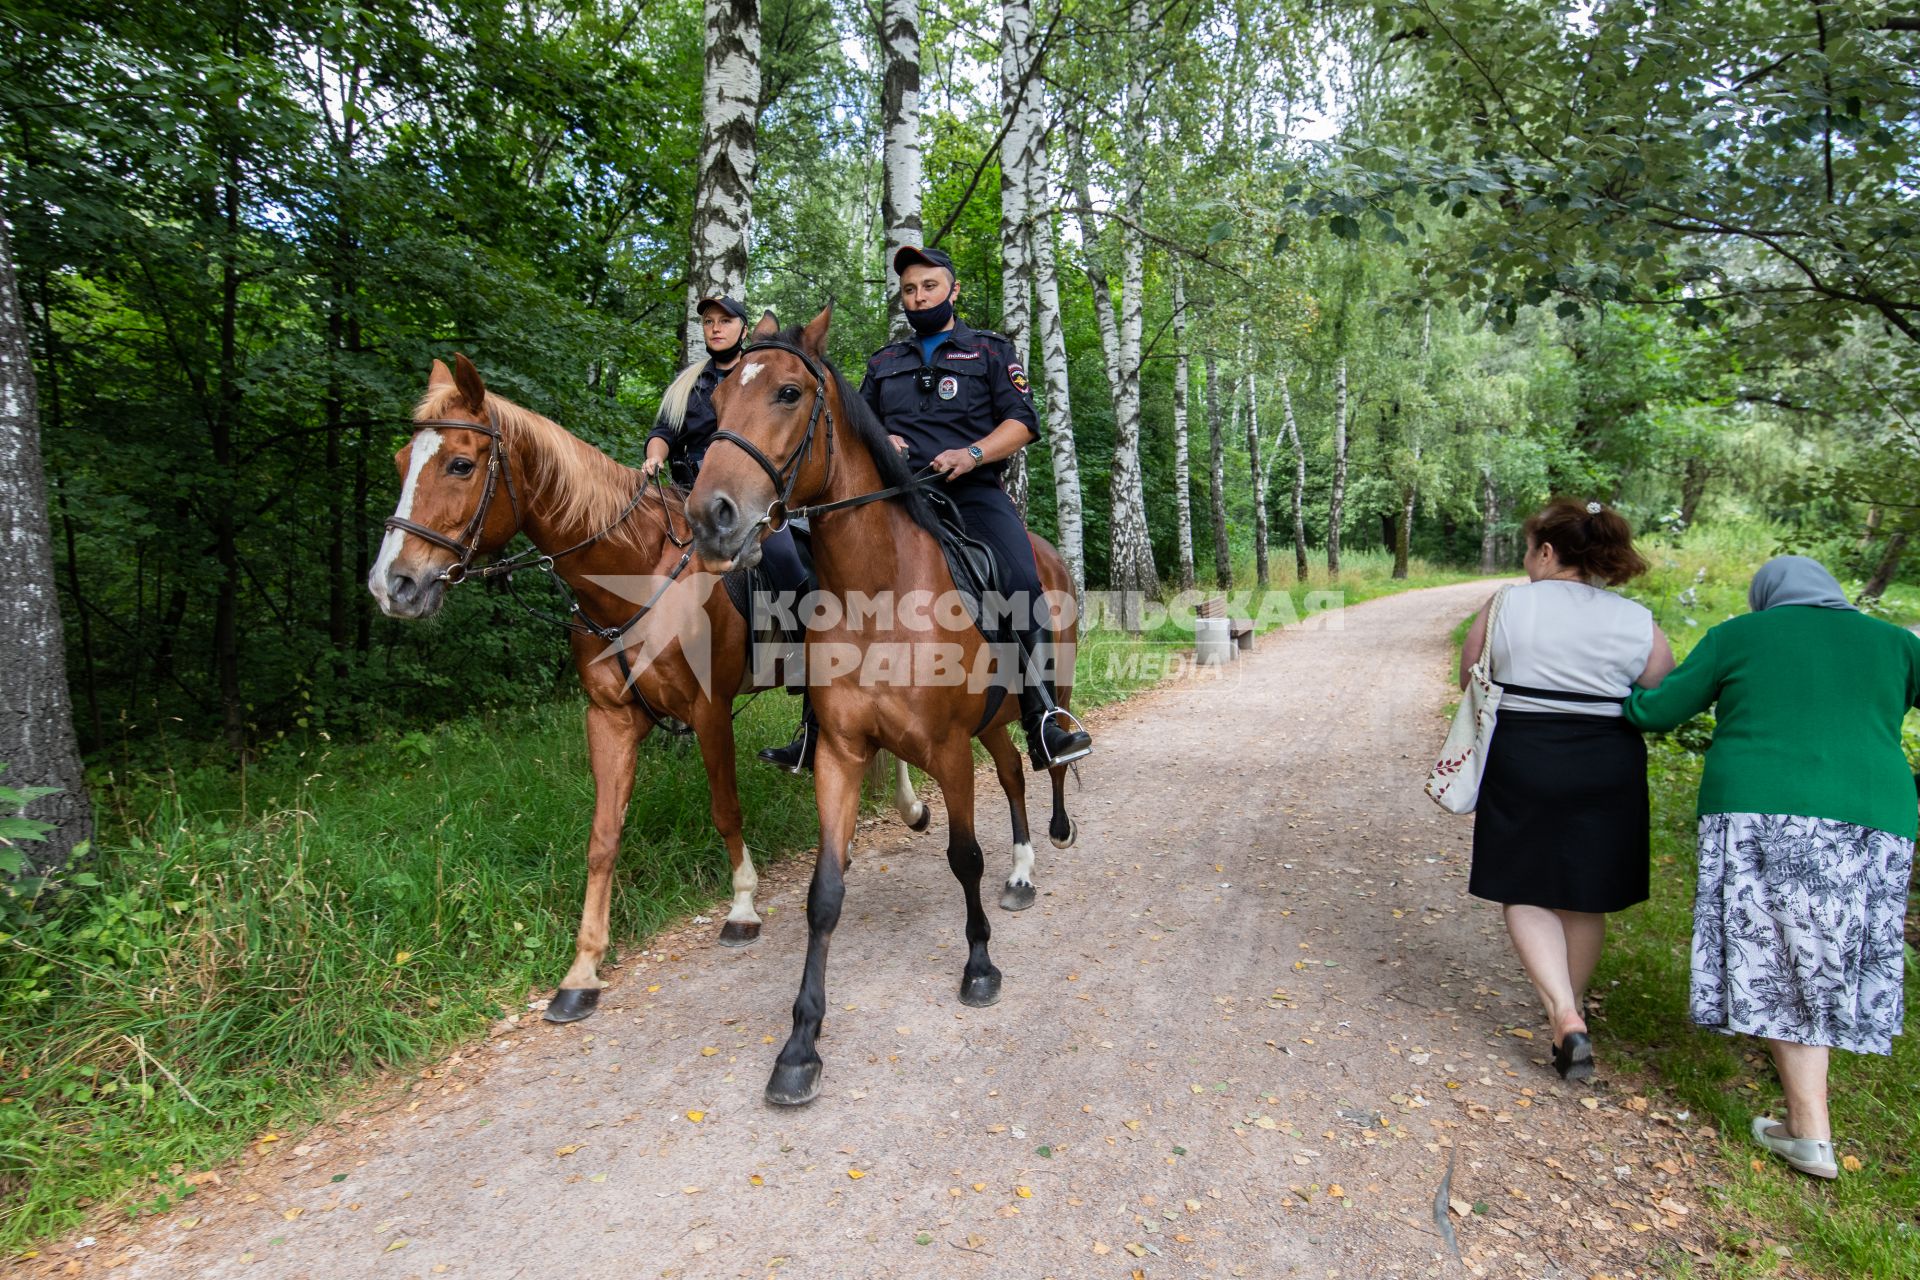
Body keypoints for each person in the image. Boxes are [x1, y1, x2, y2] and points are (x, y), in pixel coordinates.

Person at [1623, 555, 1916, 1180]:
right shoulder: (1896, 644)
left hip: (1763, 810)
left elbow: (1656, 711)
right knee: (1833, 954)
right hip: (1879, 816)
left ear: (1767, 596)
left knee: (1779, 962)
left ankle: (1810, 1133)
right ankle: (1804, 1122)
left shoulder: (1741, 635)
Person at [760, 244, 1091, 773]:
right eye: (910, 290)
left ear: (952, 290)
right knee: (826, 586)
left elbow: (1023, 422)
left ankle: (1043, 717)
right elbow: (851, 426)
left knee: (1021, 582)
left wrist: (974, 452)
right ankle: (816, 726)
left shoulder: (988, 351)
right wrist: (880, 440)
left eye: (929, 286)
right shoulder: (885, 362)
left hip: (971, 493)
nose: (918, 297)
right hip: (896, 496)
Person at [1459, 499, 1674, 1080]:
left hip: (1525, 750)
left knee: (1524, 884)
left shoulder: (1506, 603)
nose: (1527, 561)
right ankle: (1569, 1014)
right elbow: (1658, 682)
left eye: (1530, 551)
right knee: (1585, 892)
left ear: (1548, 551)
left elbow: (1470, 673)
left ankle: (1563, 1013)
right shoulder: (1633, 616)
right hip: (1608, 756)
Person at [649, 297, 811, 731]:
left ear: (743, 328)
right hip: (686, 495)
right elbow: (663, 431)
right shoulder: (688, 384)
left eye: (725, 321)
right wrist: (653, 457)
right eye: (708, 322)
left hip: (747, 497)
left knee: (786, 559)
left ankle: (800, 659)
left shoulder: (755, 376)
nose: (715, 328)